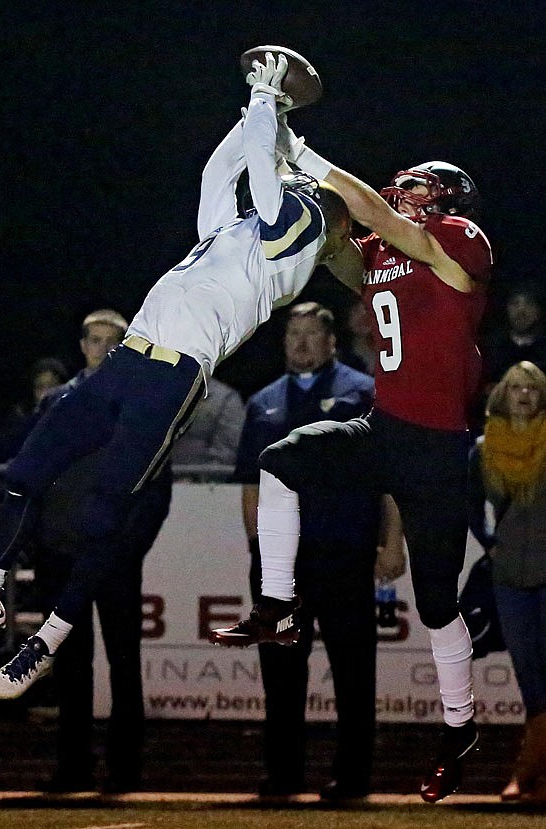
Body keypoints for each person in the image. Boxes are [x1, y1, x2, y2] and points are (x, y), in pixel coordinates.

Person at [0, 54, 354, 705]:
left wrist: (265, 100)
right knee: (26, 472)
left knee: (105, 512)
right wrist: (264, 107)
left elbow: (268, 179)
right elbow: (221, 168)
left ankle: (48, 638)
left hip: (174, 379)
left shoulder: (297, 244)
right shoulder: (234, 234)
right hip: (128, 361)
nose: (288, 183)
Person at [210, 101, 493, 804]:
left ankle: (458, 731)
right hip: (384, 429)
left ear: (450, 199)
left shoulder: (461, 240)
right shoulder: (387, 252)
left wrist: (306, 154)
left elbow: (381, 218)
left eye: (421, 188)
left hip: (434, 451)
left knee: (435, 606)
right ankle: (277, 603)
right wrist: (282, 180)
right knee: (279, 459)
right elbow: (339, 245)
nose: (408, 194)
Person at [235, 300, 404, 800]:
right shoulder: (262, 402)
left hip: (344, 553)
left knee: (353, 670)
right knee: (281, 671)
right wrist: (259, 551)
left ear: (332, 342)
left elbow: (389, 479)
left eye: (311, 335)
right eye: (293, 336)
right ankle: (283, 775)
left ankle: (352, 777)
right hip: (281, 564)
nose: (301, 344)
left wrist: (391, 544)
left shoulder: (364, 393)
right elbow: (250, 485)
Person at [32, 308, 171, 793]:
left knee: (123, 662)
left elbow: (157, 491)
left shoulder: (150, 405)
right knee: (69, 664)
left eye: (114, 341)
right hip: (61, 557)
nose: (104, 349)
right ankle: (73, 768)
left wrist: (129, 549)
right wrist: (40, 545)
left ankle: (125, 769)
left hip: (114, 559)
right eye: (95, 340)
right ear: (83, 345)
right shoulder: (54, 402)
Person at [468, 361, 546, 802]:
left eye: (532, 388)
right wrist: (490, 543)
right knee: (528, 672)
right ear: (501, 394)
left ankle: (527, 771)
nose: (523, 394)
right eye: (515, 387)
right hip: (510, 572)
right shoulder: (484, 448)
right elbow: (469, 505)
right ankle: (533, 771)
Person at [172, 376, 245, 468]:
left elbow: (226, 453)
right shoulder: (157, 392)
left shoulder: (225, 399)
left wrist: (200, 479)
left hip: (205, 477)